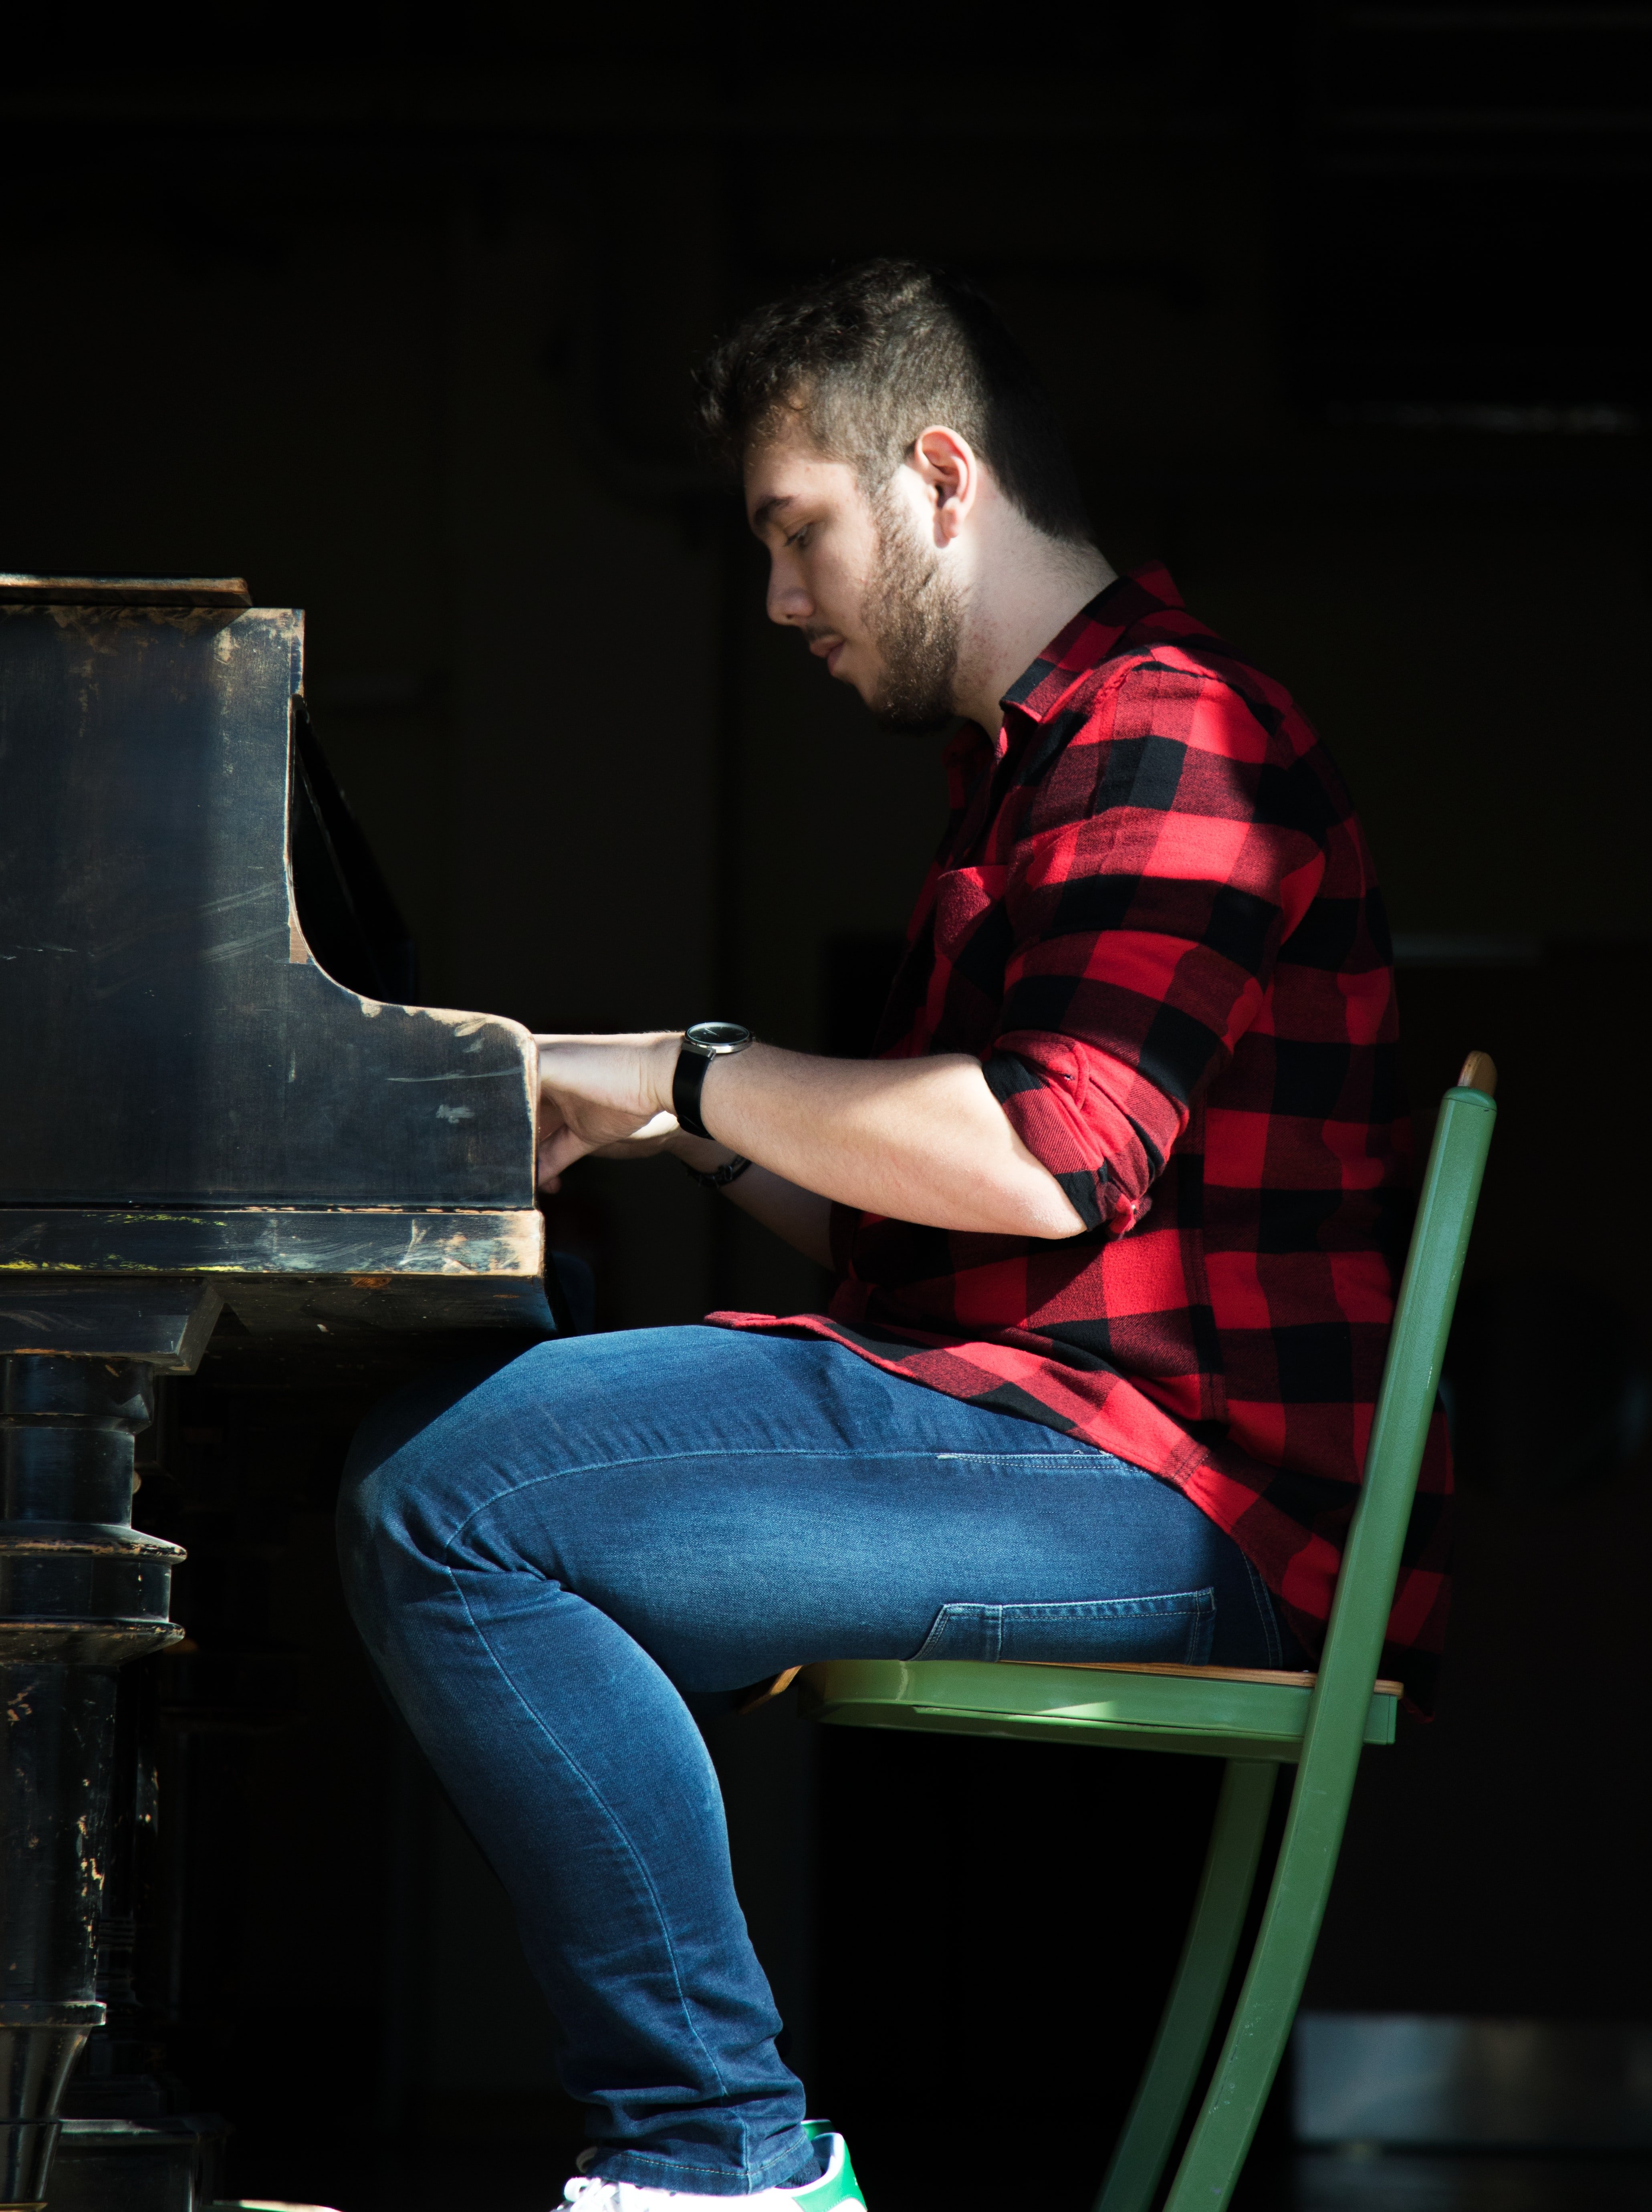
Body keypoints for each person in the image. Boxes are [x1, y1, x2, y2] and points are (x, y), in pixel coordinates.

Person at [339, 260, 1444, 2212]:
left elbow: (1044, 1157)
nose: (777, 599)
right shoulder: (1030, 768)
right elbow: (938, 1237)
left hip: (1174, 1496)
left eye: (797, 532)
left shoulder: (1174, 729)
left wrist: (683, 1074)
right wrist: (671, 1132)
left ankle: (717, 2164)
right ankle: (711, 2149)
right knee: (480, 1460)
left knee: (460, 1500)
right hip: (1057, 1434)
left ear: (941, 477)